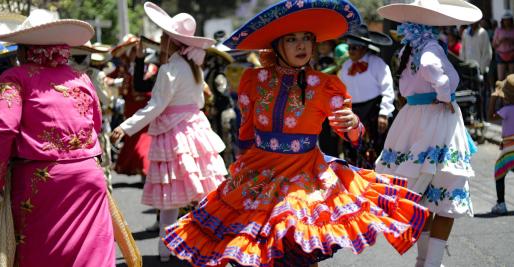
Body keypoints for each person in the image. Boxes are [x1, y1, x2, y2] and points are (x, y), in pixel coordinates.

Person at [162, 1, 429, 267]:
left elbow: (353, 137)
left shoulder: (326, 85)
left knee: (300, 242)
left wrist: (352, 123)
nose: (301, 46)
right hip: (260, 171)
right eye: (291, 39)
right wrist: (239, 167)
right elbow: (245, 131)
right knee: (260, 253)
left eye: (306, 39)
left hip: (306, 174)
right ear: (277, 45)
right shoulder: (253, 80)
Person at [0, 10, 115, 266]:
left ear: (23, 50)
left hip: (42, 182)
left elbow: (2, 129)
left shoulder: (15, 78)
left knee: (43, 256)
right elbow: (94, 123)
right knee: (92, 256)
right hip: (88, 175)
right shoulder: (80, 77)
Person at [109, 2, 228, 262]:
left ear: (172, 42)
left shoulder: (169, 69)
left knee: (170, 200)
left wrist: (124, 127)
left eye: (164, 37)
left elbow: (156, 106)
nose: (160, 41)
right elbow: (195, 102)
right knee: (203, 196)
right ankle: (208, 245)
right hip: (195, 130)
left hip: (175, 134)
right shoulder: (192, 68)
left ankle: (166, 252)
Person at [377, 1, 482, 266]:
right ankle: (432, 263)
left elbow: (407, 82)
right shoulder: (429, 46)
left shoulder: (407, 47)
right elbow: (434, 70)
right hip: (436, 120)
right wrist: (445, 95)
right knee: (447, 192)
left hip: (412, 120)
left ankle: (424, 259)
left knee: (419, 197)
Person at [338, 24, 395, 168]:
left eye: (354, 47)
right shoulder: (345, 67)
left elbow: (387, 88)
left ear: (364, 48)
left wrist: (384, 113)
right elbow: (339, 91)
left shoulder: (377, 63)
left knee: (375, 150)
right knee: (352, 149)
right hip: (354, 113)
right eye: (349, 47)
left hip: (373, 112)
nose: (351, 51)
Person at [70, 42, 115, 192]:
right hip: (95, 125)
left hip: (72, 127)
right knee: (102, 163)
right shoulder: (95, 74)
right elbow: (106, 99)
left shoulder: (63, 73)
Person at [108, 34, 152, 179]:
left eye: (137, 51)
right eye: (132, 51)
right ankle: (141, 169)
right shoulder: (124, 69)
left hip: (147, 108)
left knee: (145, 140)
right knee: (133, 140)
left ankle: (146, 169)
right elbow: (107, 78)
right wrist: (115, 82)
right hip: (131, 109)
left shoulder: (151, 67)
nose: (135, 54)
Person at [488, 74, 514, 215]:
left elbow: (490, 116)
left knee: (499, 172)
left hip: (509, 149)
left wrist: (493, 97)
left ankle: (501, 203)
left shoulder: (507, 110)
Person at [493, 12, 514, 81]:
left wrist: (511, 41)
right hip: (500, 54)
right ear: (502, 21)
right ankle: (500, 91)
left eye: (508, 20)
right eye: (505, 20)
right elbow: (494, 45)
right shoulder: (498, 30)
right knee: (501, 77)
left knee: (512, 76)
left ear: (511, 20)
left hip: (512, 54)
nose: (506, 22)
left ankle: (511, 91)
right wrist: (501, 41)